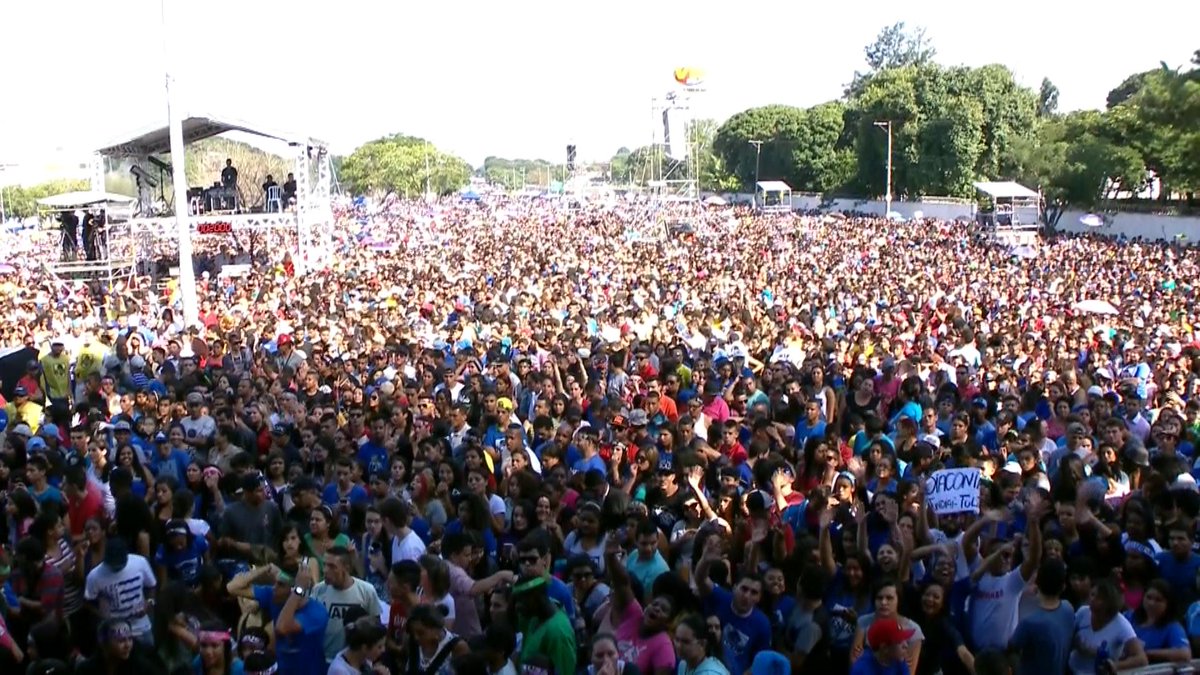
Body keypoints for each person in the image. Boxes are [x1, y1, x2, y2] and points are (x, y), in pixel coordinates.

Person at [311, 546, 382, 663]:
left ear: (347, 568)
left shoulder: (366, 591)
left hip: (357, 661)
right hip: (325, 659)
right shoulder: (318, 590)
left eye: (332, 566)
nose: (325, 570)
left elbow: (376, 628)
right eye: (324, 565)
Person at [83, 538, 156, 647]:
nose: (117, 568)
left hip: (140, 625)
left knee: (148, 650)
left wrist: (149, 602)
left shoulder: (140, 563)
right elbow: (88, 602)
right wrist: (104, 616)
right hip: (115, 630)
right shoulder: (95, 576)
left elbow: (151, 585)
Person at [1007, 559, 1074, 675]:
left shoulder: (1030, 623)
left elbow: (1012, 647)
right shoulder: (1068, 609)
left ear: (1037, 584)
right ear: (1063, 587)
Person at [513, 574, 576, 675]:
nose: (517, 606)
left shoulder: (558, 631)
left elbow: (565, 671)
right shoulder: (534, 616)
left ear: (536, 597)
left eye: (521, 600)